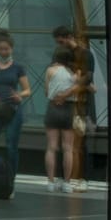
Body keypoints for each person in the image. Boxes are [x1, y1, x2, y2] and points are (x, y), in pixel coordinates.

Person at [0, 32, 32, 181]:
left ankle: (10, 181)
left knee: (11, 147)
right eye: (1, 49)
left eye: (6, 49)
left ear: (11, 49)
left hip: (13, 109)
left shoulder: (18, 67)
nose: (3, 52)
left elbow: (28, 89)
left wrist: (19, 95)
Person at [55, 26, 95, 191]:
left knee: (78, 142)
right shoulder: (66, 54)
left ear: (69, 37)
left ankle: (80, 177)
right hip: (72, 102)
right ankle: (69, 177)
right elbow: (88, 80)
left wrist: (69, 90)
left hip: (79, 103)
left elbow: (88, 78)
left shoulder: (84, 54)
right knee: (68, 143)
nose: (61, 44)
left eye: (62, 40)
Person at [43, 46, 80, 193]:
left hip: (52, 108)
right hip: (68, 109)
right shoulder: (74, 73)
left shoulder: (50, 71)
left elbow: (46, 92)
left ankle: (51, 182)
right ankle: (66, 183)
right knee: (68, 148)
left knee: (51, 147)